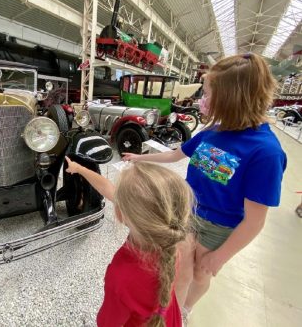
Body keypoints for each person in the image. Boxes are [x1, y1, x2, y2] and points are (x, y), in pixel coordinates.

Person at [122, 53, 287, 324]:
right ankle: (169, 314)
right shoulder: (212, 133)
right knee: (181, 267)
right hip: (187, 214)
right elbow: (176, 155)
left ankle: (185, 310)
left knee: (202, 272)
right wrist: (141, 157)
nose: (203, 100)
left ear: (231, 99)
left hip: (220, 227)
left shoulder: (265, 153)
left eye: (209, 94)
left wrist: (221, 256)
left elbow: (255, 221)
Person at [65, 157, 195, 327]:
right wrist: (80, 169)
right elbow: (106, 187)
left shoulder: (121, 275)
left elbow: (107, 323)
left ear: (120, 213)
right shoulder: (172, 245)